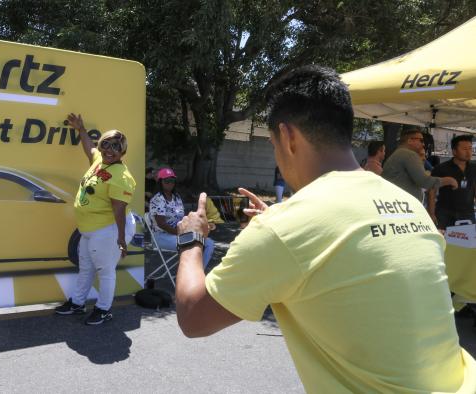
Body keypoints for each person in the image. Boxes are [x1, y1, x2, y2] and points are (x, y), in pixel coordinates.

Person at [174, 65, 476, 392]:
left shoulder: (286, 228)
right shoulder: (410, 206)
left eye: (274, 146)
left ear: (288, 137)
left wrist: (192, 239)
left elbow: (194, 317)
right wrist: (281, 221)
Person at [55, 113, 136, 325]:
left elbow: (119, 211)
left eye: (116, 146)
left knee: (105, 271)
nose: (109, 150)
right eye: (106, 144)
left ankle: (103, 309)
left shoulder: (122, 176)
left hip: (109, 230)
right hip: (89, 230)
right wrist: (81, 129)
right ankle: (78, 303)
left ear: (123, 151)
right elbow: (89, 148)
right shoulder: (100, 160)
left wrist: (121, 240)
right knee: (86, 268)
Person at [149, 168, 215, 268]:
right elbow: (161, 224)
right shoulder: (158, 199)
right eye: (167, 181)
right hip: (161, 236)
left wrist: (197, 226)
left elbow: (182, 218)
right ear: (160, 182)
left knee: (209, 243)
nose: (170, 184)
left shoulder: (176, 197)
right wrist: (181, 232)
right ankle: (191, 275)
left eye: (172, 181)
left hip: (178, 234)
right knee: (193, 244)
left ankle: (199, 272)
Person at [382, 126, 457, 201]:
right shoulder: (409, 154)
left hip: (395, 201)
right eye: (421, 140)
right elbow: (424, 181)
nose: (423, 144)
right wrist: (449, 180)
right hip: (402, 204)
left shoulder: (398, 153)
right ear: (410, 141)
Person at [428, 135, 476, 229]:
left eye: (470, 148)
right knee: (444, 241)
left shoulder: (474, 167)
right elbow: (431, 192)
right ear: (454, 151)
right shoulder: (441, 168)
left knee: (467, 242)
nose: (469, 152)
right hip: (445, 213)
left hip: (467, 213)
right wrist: (431, 213)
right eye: (464, 149)